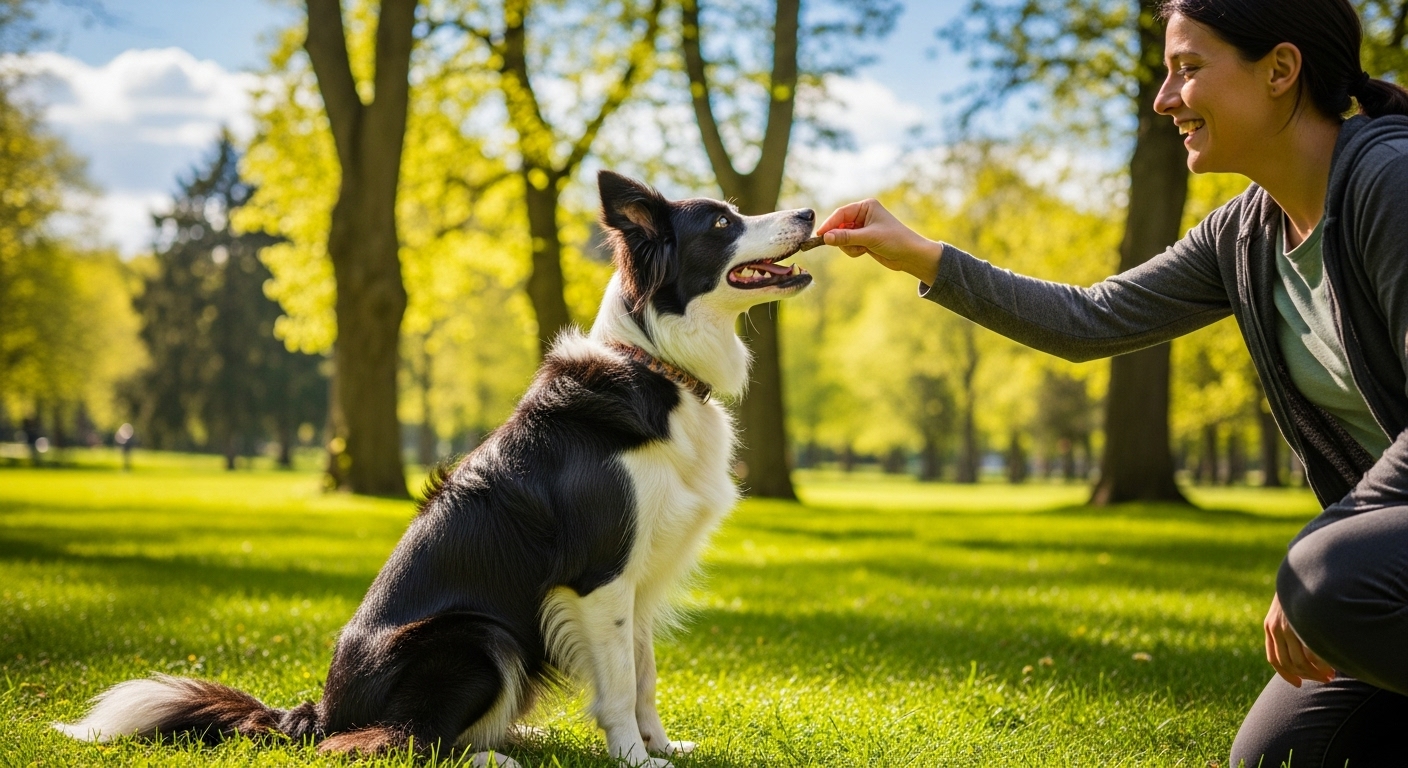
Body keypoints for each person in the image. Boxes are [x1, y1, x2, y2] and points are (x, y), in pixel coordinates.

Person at [817, 0, 1408, 764]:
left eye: (1187, 69)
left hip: (1364, 565)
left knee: (1328, 578)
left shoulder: (1389, 182)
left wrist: (1324, 548)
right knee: (1275, 756)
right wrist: (922, 255)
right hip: (1379, 560)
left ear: (1280, 70)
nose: (1164, 99)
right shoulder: (1244, 233)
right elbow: (1090, 319)